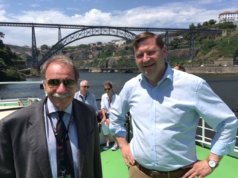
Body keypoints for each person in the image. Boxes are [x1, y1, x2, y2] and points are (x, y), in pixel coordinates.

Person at [109, 32, 238, 178]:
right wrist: (123, 144)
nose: (145, 59)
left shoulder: (193, 85)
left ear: (164, 52)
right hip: (138, 171)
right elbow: (115, 115)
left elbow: (227, 123)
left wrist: (211, 161)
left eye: (151, 52)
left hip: (181, 174)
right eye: (139, 55)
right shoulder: (131, 87)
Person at [0, 55, 102, 178]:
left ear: (76, 84)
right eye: (54, 82)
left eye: (68, 82)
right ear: (44, 85)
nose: (61, 89)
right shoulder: (12, 125)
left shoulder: (89, 114)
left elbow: (95, 163)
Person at [100, 81, 119, 151]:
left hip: (115, 116)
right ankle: (107, 142)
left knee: (111, 126)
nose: (107, 90)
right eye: (105, 89)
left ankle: (116, 142)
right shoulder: (103, 96)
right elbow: (102, 107)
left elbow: (116, 111)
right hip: (107, 116)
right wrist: (105, 117)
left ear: (111, 88)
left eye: (108, 89)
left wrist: (109, 119)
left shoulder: (117, 98)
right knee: (103, 124)